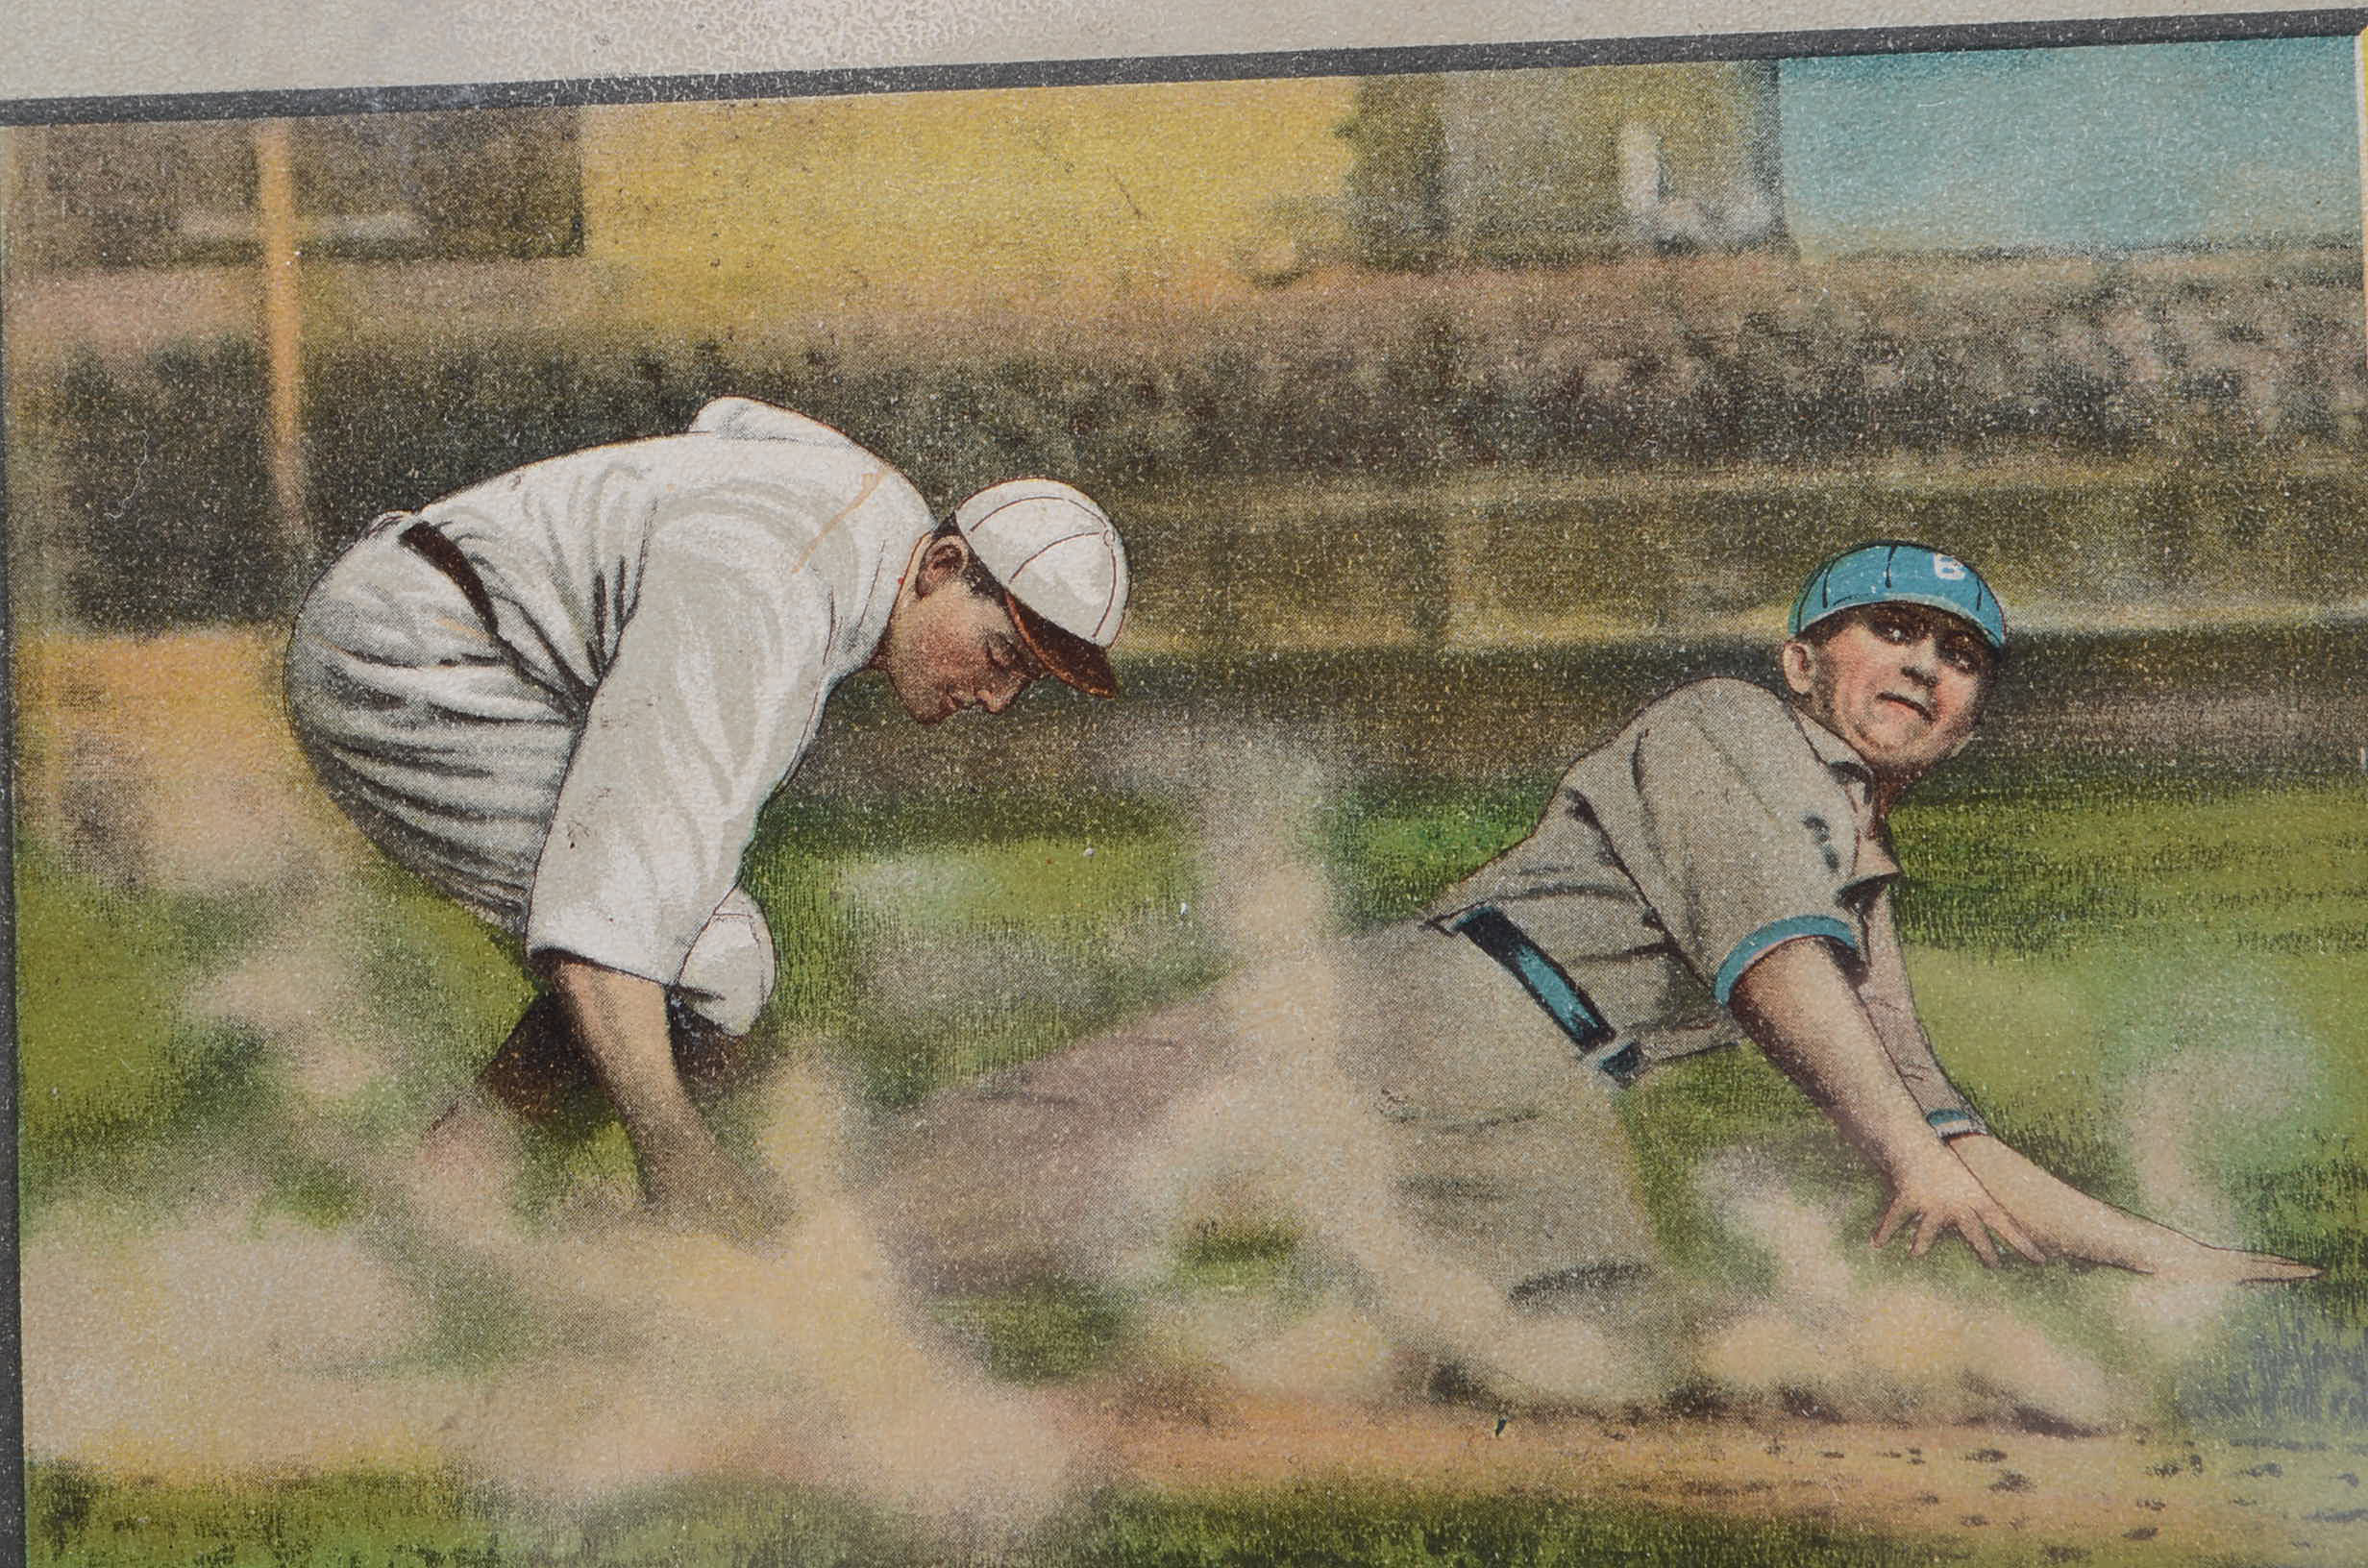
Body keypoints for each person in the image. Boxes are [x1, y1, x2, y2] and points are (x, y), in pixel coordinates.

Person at [1336, 539, 2316, 1297]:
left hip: (1521, 1084)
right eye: (1891, 630)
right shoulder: (1729, 724)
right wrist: (1906, 1159)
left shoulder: (1851, 880)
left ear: (1968, 728)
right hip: (1413, 1013)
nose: (1926, 664)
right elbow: (1782, 979)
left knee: (1588, 1339)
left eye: (1959, 653)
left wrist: (2174, 1257)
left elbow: (1941, 1132)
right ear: (1799, 664)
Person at [284, 396, 1129, 1234]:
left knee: (712, 959)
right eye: (1002, 654)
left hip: (453, 626)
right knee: (711, 959)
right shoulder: (770, 591)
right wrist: (683, 1158)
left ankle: (448, 1191)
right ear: (941, 566)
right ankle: (459, 1207)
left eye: (1026, 681)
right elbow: (608, 910)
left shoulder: (875, 520)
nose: (997, 698)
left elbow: (730, 421)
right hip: (408, 654)